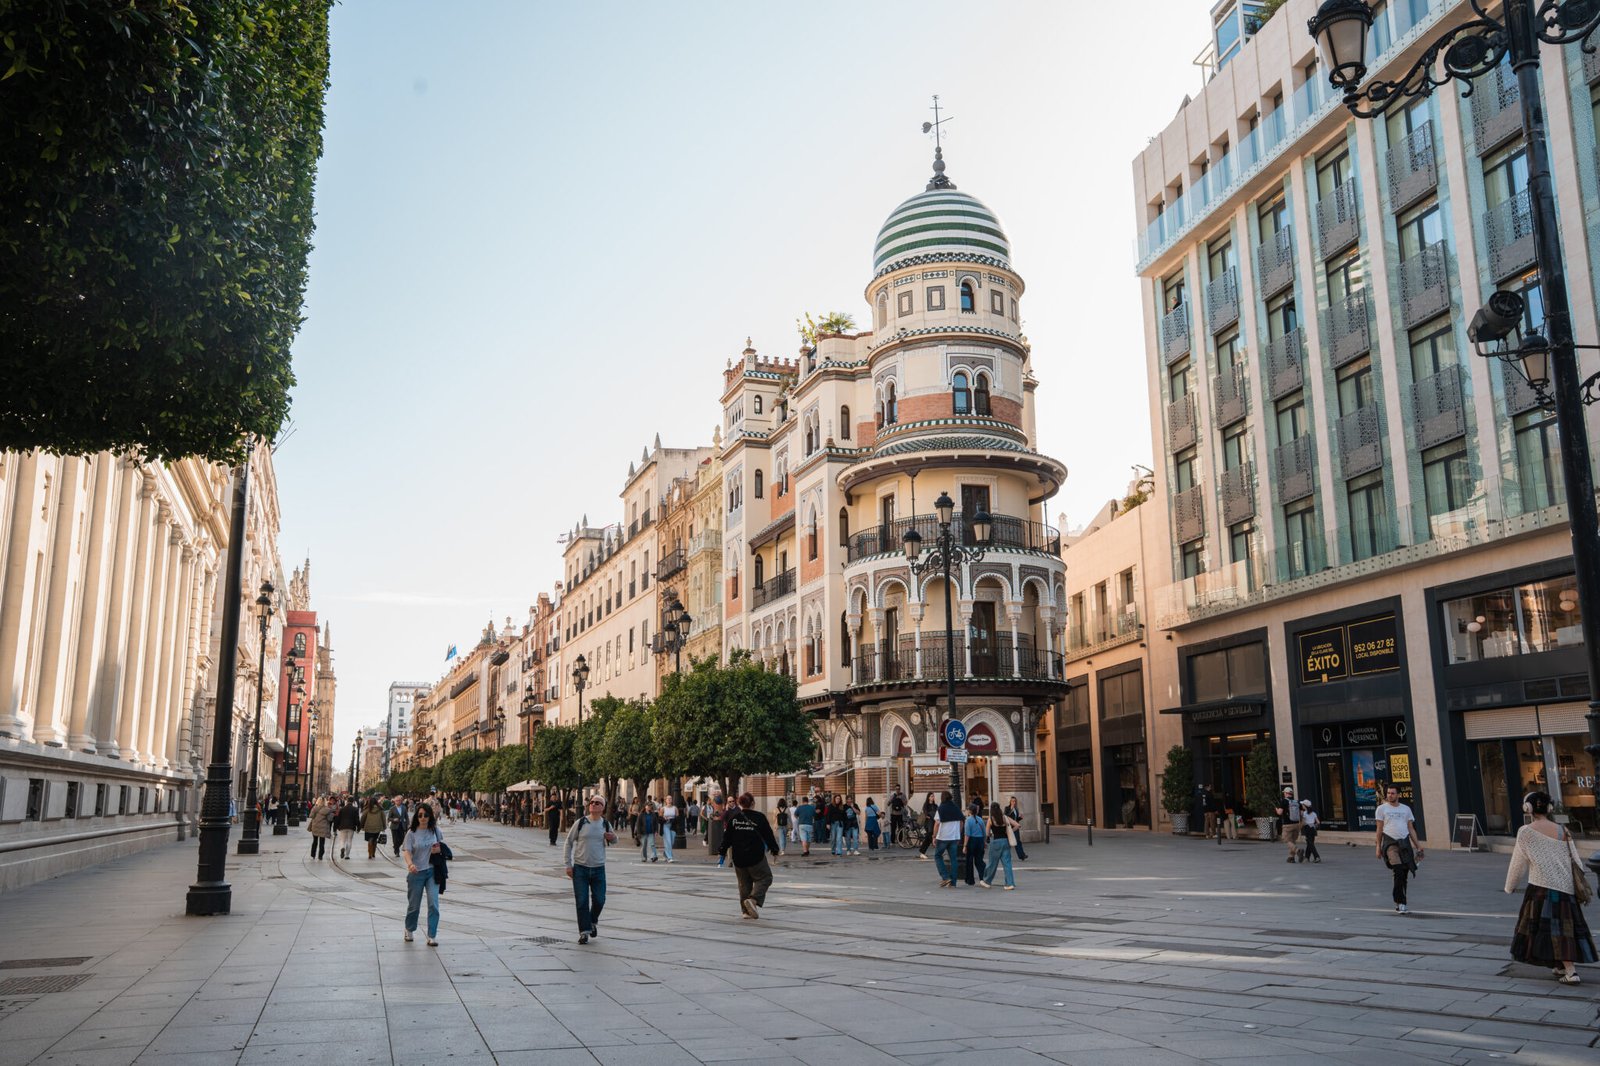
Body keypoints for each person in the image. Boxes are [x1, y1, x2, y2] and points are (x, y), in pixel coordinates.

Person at [1505, 790, 1596, 984]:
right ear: (1549, 808)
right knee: (1563, 929)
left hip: (1540, 888)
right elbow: (1577, 862)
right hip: (1565, 888)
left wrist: (1510, 886)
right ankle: (1560, 965)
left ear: (1528, 808)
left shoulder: (1525, 832)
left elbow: (1517, 864)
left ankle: (1571, 972)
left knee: (1553, 930)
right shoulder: (1563, 830)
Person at [720, 792, 781, 919]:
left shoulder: (734, 818)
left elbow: (727, 837)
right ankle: (753, 900)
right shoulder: (759, 817)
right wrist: (774, 850)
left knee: (744, 884)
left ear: (740, 804)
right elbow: (768, 835)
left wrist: (722, 852)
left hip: (738, 857)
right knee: (765, 877)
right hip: (755, 856)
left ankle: (746, 912)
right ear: (752, 803)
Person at [564, 795, 616, 945]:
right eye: (592, 802)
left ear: (602, 808)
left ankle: (592, 921)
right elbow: (568, 842)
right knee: (581, 901)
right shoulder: (581, 822)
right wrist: (568, 864)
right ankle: (584, 932)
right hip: (580, 868)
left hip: (598, 869)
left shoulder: (605, 824)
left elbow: (615, 840)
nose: (593, 804)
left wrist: (611, 837)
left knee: (600, 900)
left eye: (597, 803)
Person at [1375, 784, 1423, 913]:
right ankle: (1399, 900)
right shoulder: (1381, 809)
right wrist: (1378, 846)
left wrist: (1418, 846)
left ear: (1398, 795)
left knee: (1404, 873)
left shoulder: (1406, 809)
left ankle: (1401, 903)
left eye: (1392, 793)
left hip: (1405, 843)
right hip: (1390, 843)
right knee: (1398, 870)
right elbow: (1379, 829)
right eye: (1388, 793)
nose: (1390, 795)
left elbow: (1411, 828)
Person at [402, 802, 444, 946]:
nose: (423, 818)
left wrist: (438, 850)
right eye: (420, 815)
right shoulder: (411, 833)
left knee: (433, 904)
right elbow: (406, 851)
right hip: (416, 872)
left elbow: (441, 846)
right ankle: (409, 929)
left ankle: (432, 935)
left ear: (430, 816)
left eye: (426, 815)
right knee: (414, 906)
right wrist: (410, 864)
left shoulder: (435, 831)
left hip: (432, 871)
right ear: (416, 817)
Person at [981, 802, 1020, 890]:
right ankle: (1010, 883)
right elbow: (1018, 825)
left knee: (992, 863)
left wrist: (989, 836)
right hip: (1006, 841)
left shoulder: (991, 819)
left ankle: (987, 881)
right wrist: (1009, 831)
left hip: (995, 842)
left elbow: (987, 833)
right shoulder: (1005, 817)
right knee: (1007, 864)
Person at [932, 792, 962, 887]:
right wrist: (958, 834)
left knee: (938, 856)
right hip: (954, 837)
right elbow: (961, 822)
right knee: (953, 859)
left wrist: (934, 836)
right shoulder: (956, 808)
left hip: (943, 837)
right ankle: (953, 882)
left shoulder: (940, 809)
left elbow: (937, 824)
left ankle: (945, 877)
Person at [961, 802, 987, 886]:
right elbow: (984, 833)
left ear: (969, 811)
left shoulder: (968, 820)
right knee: (979, 860)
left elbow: (967, 834)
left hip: (971, 841)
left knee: (969, 861)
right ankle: (983, 877)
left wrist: (965, 846)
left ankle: (970, 880)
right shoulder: (980, 819)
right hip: (980, 840)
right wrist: (984, 842)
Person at [1275, 787, 1302, 863]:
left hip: (1287, 824)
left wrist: (1277, 810)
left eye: (1284, 793)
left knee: (1286, 839)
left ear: (1286, 793)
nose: (1284, 794)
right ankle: (1291, 858)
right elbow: (1301, 813)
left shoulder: (1284, 801)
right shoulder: (1297, 801)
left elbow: (1280, 813)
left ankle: (1298, 851)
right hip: (1296, 824)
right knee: (1292, 841)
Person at [307, 795, 332, 860]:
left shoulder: (314, 808)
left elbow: (311, 816)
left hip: (315, 826)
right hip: (323, 827)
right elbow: (330, 819)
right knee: (322, 842)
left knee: (315, 841)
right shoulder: (328, 810)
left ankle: (313, 855)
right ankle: (320, 856)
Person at [1005, 796, 1029, 861]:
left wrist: (1020, 818)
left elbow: (1015, 819)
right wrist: (1011, 809)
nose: (1014, 802)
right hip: (1009, 828)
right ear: (1010, 802)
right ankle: (1006, 856)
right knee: (1007, 842)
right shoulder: (1007, 808)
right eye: (1012, 801)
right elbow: (1006, 816)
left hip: (1016, 828)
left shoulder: (1016, 809)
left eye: (1015, 801)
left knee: (1018, 841)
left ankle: (1022, 855)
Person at [919, 792, 939, 860]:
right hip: (928, 824)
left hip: (934, 823)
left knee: (930, 838)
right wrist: (932, 815)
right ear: (928, 797)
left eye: (933, 796)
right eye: (931, 796)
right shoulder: (926, 805)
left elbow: (937, 813)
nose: (932, 797)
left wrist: (932, 815)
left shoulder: (935, 805)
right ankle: (922, 852)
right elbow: (926, 814)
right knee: (929, 837)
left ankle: (922, 852)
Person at [661, 795, 679, 863]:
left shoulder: (675, 808)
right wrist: (664, 819)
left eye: (670, 798)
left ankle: (665, 853)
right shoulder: (663, 808)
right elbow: (660, 817)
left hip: (673, 826)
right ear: (665, 800)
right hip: (666, 825)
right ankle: (670, 857)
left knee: (672, 842)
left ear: (672, 800)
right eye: (668, 798)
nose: (669, 800)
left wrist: (673, 819)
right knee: (668, 841)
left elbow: (678, 817)